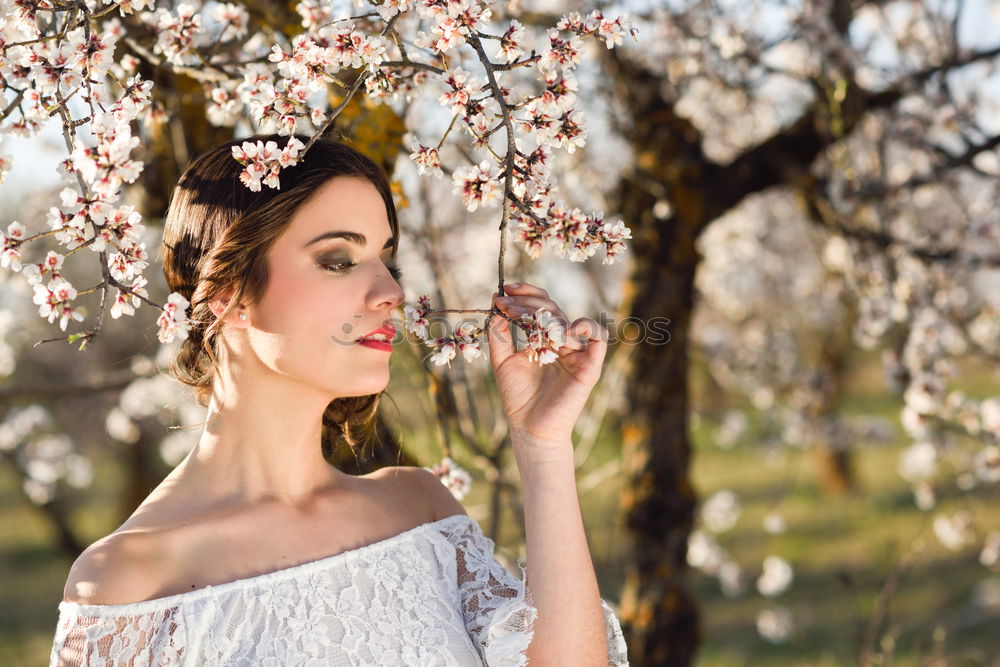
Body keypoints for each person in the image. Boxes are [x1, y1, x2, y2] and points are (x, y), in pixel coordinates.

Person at [48, 134, 629, 666]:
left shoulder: (419, 511)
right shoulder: (131, 583)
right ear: (230, 294)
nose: (391, 292)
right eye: (338, 261)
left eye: (386, 260)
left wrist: (541, 443)